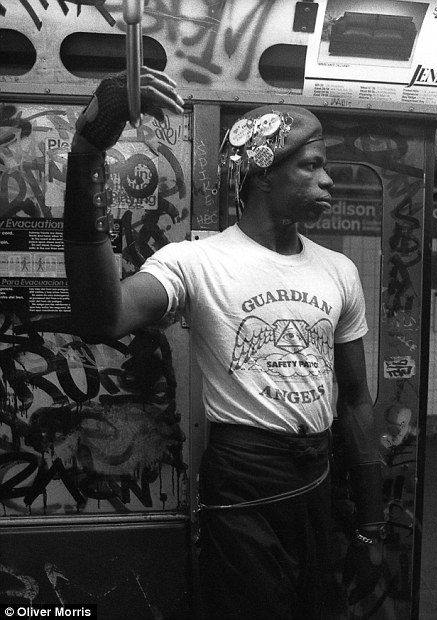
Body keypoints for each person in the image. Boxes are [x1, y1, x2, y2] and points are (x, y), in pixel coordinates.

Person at [63, 68, 385, 620]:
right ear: (262, 175)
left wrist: (371, 525)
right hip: (245, 476)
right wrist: (86, 156)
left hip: (318, 475)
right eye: (311, 166)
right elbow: (102, 317)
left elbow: (355, 399)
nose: (328, 181)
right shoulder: (200, 261)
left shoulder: (339, 271)